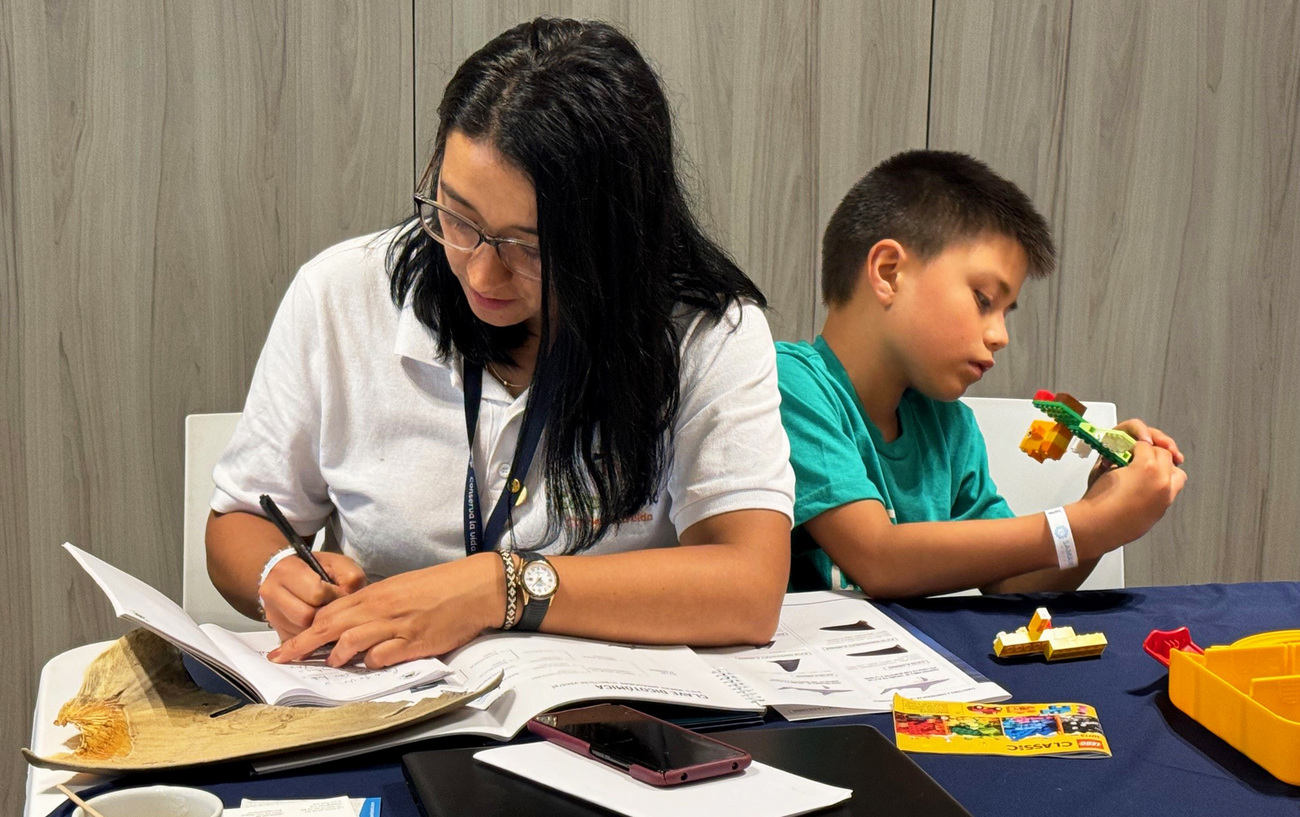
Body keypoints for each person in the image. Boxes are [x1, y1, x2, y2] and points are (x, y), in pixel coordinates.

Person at [205, 17, 795, 669]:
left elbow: (748, 587)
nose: (481, 273)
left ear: (616, 237)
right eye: (457, 216)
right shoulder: (340, 296)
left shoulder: (704, 331)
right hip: (386, 708)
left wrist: (498, 587)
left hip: (604, 724)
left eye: (530, 247)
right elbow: (238, 524)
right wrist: (275, 572)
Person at [776, 150, 1186, 597]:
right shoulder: (790, 386)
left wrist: (1102, 506)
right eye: (984, 300)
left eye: (1006, 312)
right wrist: (1087, 525)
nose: (1001, 336)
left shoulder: (948, 424)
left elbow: (1012, 581)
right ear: (889, 273)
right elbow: (878, 556)